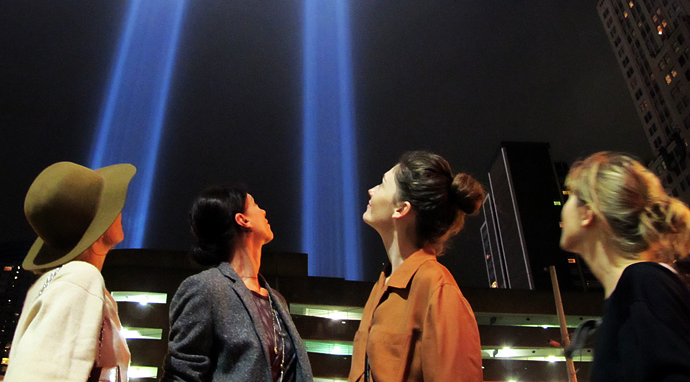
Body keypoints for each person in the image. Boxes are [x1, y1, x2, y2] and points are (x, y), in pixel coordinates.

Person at [349, 151, 485, 382]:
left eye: (382, 185)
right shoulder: (382, 286)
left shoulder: (437, 288)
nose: (371, 190)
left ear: (401, 209)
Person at [162, 184, 313, 382]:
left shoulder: (277, 300)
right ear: (243, 220)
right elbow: (182, 374)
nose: (264, 211)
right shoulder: (205, 288)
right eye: (255, 205)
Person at [561, 151, 690, 381]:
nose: (563, 207)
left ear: (587, 213)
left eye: (570, 196)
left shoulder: (644, 283)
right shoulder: (632, 293)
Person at [5, 161, 136, 382]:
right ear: (97, 227)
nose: (120, 209)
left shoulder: (53, 283)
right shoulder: (81, 279)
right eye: (111, 205)